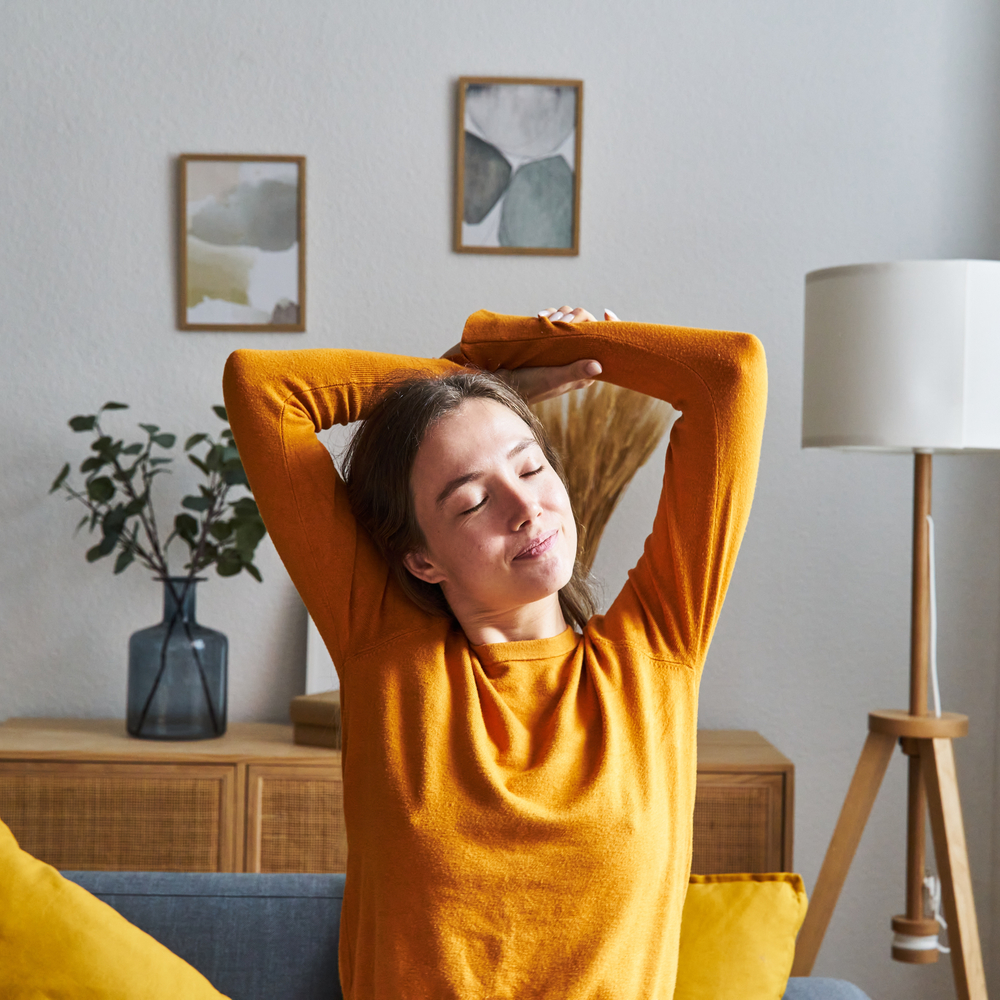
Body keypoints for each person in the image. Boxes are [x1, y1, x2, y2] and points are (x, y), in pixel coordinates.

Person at [222, 305, 767, 1000]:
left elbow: (731, 373)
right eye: (474, 501)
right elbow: (261, 388)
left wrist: (525, 347)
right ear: (421, 560)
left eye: (531, 466)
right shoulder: (388, 658)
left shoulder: (657, 650)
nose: (526, 507)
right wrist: (471, 377)